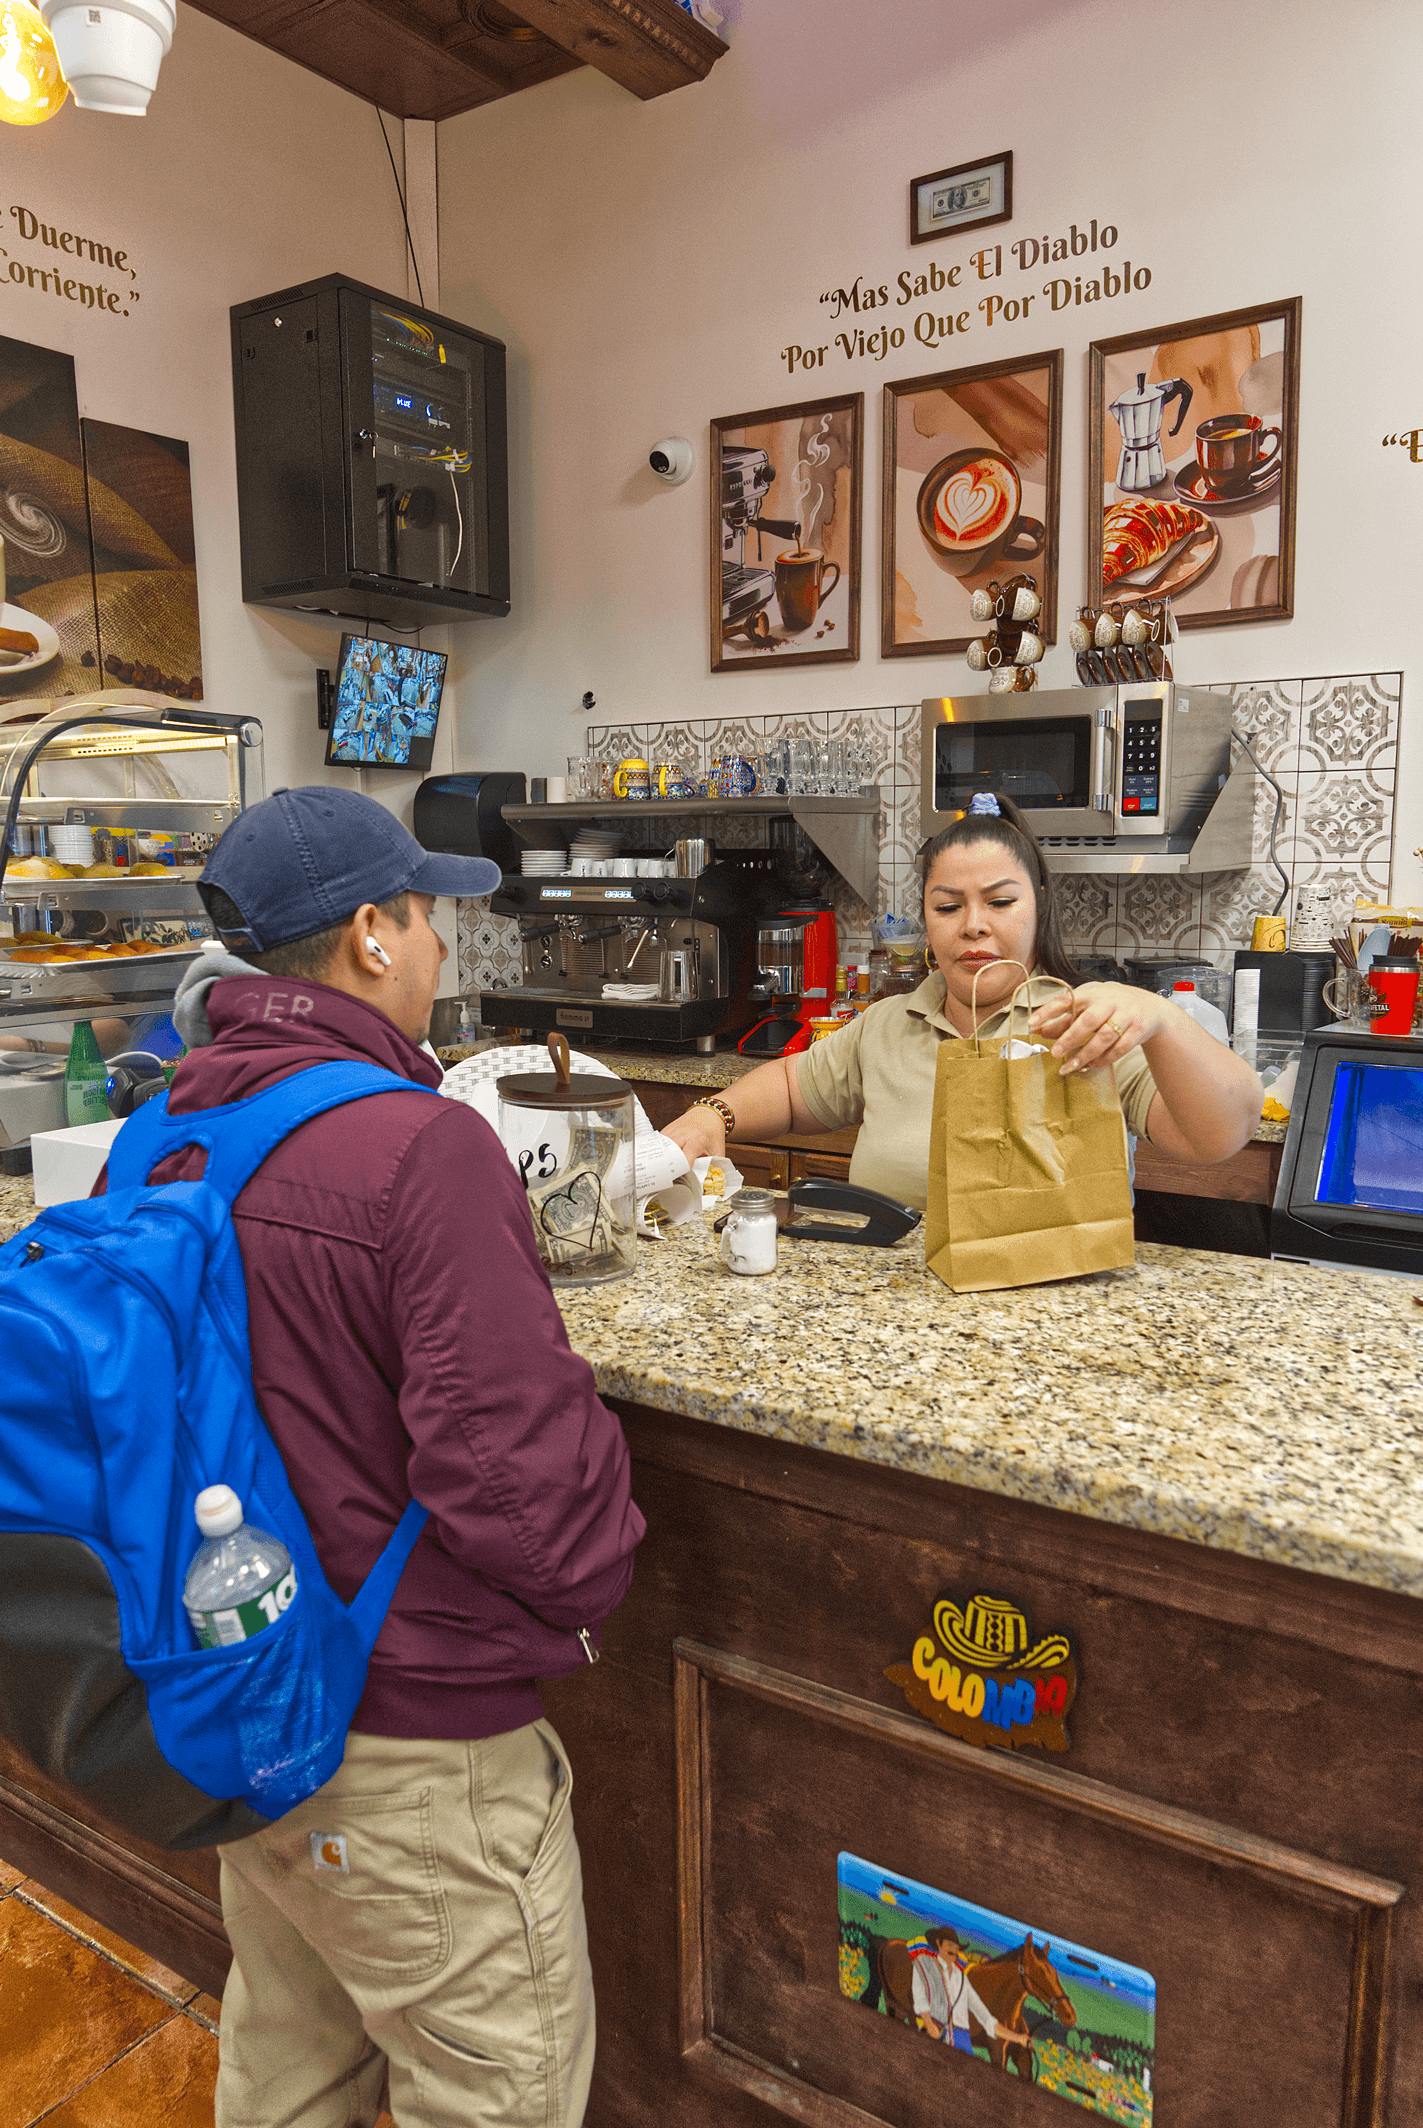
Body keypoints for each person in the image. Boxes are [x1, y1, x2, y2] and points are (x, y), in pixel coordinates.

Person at [118, 787, 645, 2128]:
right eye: (422, 915)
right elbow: (521, 1493)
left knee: (287, 2071)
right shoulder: (420, 1146)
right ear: (368, 934)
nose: (437, 945)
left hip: (240, 1702)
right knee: (493, 2092)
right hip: (412, 1753)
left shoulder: (156, 1134)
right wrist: (599, 1575)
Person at [665, 790, 1262, 1206]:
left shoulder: (1085, 1027)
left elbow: (1222, 1134)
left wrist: (1162, 1019)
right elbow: (794, 1089)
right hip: (897, 1316)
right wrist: (712, 1114)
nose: (973, 925)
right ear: (927, 918)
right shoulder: (889, 1024)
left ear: (1038, 903)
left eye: (1000, 902)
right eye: (948, 906)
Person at [909, 1928, 1024, 2053]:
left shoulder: (962, 1979)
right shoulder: (923, 1965)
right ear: (938, 1943)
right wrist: (930, 2025)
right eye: (949, 1945)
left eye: (956, 1947)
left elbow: (985, 2017)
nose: (953, 1950)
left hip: (961, 2039)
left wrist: (1018, 2038)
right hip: (935, 2033)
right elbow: (920, 1999)